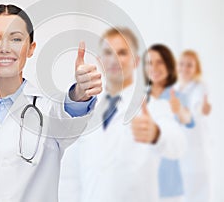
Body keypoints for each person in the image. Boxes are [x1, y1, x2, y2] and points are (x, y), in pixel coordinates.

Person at [0, 4, 102, 202]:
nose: (4, 48)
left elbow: (68, 116)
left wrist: (80, 93)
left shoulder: (48, 112)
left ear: (31, 48)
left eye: (16, 39)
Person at [58, 27, 186, 202]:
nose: (114, 59)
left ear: (136, 60)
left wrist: (156, 134)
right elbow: (70, 175)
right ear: (99, 60)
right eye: (108, 53)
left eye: (123, 53)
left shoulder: (153, 106)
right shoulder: (84, 109)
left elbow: (178, 144)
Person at [144, 44, 194, 202]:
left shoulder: (177, 96)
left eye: (160, 62)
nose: (155, 67)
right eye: (150, 63)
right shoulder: (139, 98)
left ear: (169, 65)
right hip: (142, 181)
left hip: (169, 185)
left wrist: (179, 111)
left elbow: (189, 121)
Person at [175, 50, 212, 202]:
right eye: (182, 64)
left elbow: (199, 106)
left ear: (196, 68)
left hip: (197, 154)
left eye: (189, 65)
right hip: (181, 154)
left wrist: (201, 109)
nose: (185, 68)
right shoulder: (175, 89)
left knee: (200, 195)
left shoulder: (200, 87)